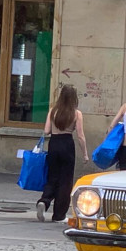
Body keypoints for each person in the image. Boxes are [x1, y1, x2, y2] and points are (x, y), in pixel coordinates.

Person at [36, 84, 89, 223]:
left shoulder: (53, 111)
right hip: (67, 144)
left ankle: (44, 201)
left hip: (54, 143)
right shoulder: (76, 114)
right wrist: (85, 154)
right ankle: (59, 215)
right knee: (65, 181)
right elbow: (81, 136)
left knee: (52, 176)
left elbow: (46, 130)